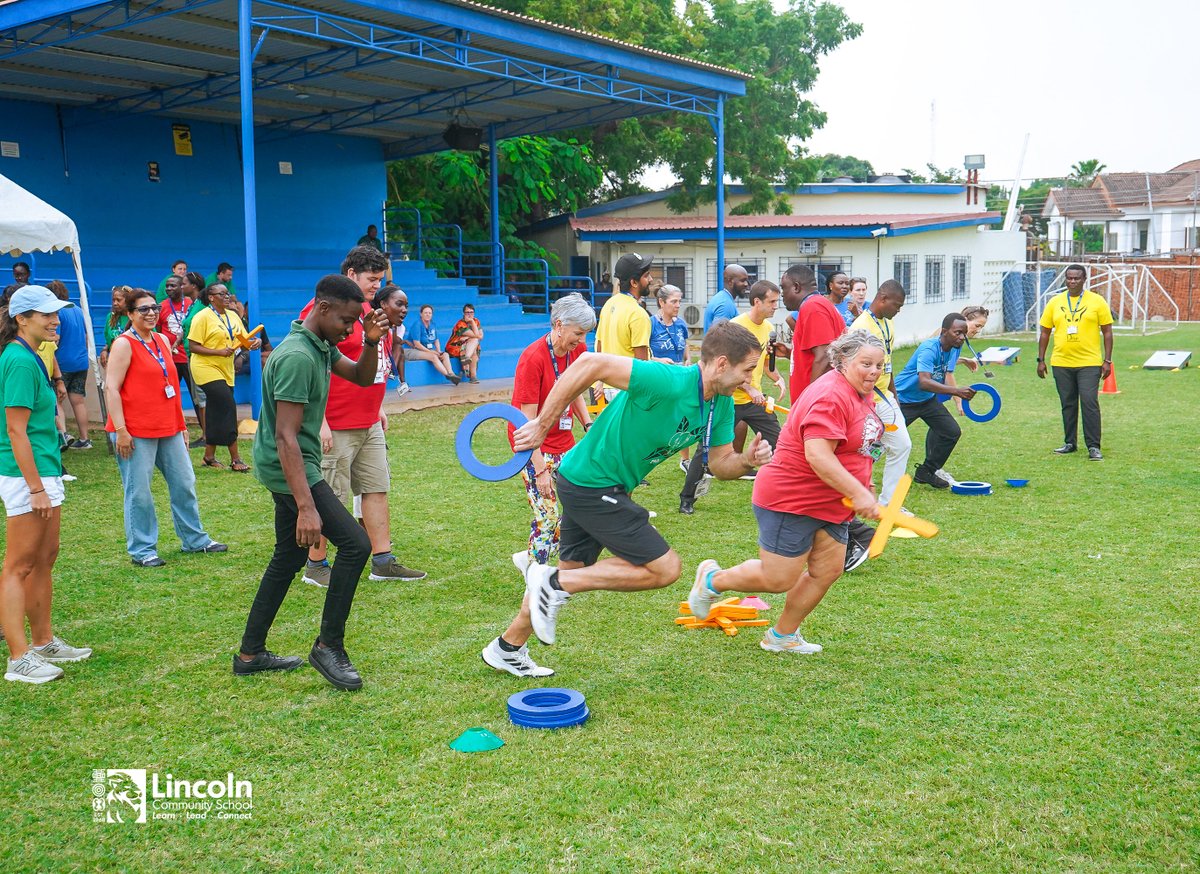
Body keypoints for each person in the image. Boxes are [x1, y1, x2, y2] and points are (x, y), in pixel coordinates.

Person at [487, 321, 774, 675]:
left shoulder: (721, 406)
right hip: (593, 483)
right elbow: (589, 364)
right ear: (721, 364)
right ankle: (551, 582)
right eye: (746, 370)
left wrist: (747, 460)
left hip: (600, 482)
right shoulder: (669, 381)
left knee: (573, 571)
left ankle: (507, 647)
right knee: (665, 569)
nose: (749, 380)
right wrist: (542, 426)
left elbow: (720, 463)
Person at [234, 274, 391, 691]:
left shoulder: (319, 346)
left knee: (287, 557)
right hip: (291, 467)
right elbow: (286, 436)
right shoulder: (297, 357)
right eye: (346, 320)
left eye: (356, 322)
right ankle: (328, 646)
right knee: (357, 546)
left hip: (291, 464)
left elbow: (360, 377)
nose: (350, 328)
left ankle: (250, 653)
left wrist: (373, 341)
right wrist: (306, 506)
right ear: (322, 308)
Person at [689, 329, 886, 655]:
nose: (874, 372)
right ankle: (712, 580)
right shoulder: (830, 395)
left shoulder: (862, 393)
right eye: (866, 364)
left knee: (827, 570)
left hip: (833, 501)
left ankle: (782, 636)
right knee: (778, 578)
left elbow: (862, 445)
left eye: (879, 365)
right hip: (792, 498)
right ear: (843, 361)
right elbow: (818, 455)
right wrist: (859, 492)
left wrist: (867, 484)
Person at [300, 249, 426, 587]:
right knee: (330, 495)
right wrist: (321, 420)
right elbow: (313, 369)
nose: (377, 286)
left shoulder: (368, 312)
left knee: (375, 488)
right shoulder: (324, 311)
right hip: (335, 423)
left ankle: (382, 560)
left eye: (380, 280)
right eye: (372, 280)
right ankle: (316, 565)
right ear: (352, 273)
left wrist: (379, 405)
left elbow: (376, 359)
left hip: (368, 419)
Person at [1, 285, 91, 684]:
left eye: (57, 313)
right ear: (22, 319)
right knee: (18, 565)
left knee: (45, 557)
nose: (56, 320)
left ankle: (42, 641)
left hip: (43, 471)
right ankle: (19, 657)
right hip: (27, 476)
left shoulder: (33, 356)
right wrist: (35, 487)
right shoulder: (19, 360)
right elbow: (15, 431)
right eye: (46, 314)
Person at [104, 289, 227, 567]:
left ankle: (194, 540)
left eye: (153, 308)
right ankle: (143, 550)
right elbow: (111, 388)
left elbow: (169, 386)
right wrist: (120, 430)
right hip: (135, 430)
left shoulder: (161, 339)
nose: (150, 313)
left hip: (168, 427)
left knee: (185, 482)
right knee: (139, 492)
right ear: (130, 314)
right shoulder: (124, 344)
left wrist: (181, 425)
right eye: (142, 310)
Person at [495, 294, 596, 596]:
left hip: (564, 441)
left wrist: (588, 425)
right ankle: (536, 583)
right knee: (548, 516)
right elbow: (527, 421)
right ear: (558, 325)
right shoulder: (533, 357)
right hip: (532, 444)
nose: (581, 340)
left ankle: (528, 561)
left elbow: (573, 390)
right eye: (578, 333)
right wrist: (539, 469)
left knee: (578, 508)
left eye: (585, 335)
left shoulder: (577, 351)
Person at [1038, 265, 1113, 461]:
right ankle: (1070, 442)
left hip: (1089, 362)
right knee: (1068, 404)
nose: (1072, 282)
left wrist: (1107, 360)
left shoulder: (1097, 301)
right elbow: (1045, 332)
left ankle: (1094, 446)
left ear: (1084, 279)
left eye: (1076, 278)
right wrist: (1041, 360)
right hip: (1061, 362)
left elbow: (1107, 332)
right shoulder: (1055, 302)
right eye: (1069, 278)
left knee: (1089, 402)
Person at [895, 313, 976, 489]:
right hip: (903, 400)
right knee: (883, 439)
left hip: (927, 400)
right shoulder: (928, 349)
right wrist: (956, 392)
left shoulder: (955, 348)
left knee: (951, 432)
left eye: (964, 333)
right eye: (957, 333)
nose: (962, 337)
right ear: (944, 331)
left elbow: (947, 372)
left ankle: (926, 472)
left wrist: (956, 397)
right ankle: (858, 475)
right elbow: (924, 382)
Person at [850, 280, 911, 507]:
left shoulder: (887, 323)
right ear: (883, 299)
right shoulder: (860, 327)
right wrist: (859, 400)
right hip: (869, 398)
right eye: (897, 305)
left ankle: (880, 497)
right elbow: (850, 367)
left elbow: (888, 363)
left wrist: (894, 395)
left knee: (881, 446)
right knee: (900, 444)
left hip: (885, 395)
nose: (899, 310)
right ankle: (888, 502)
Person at [187, 283, 260, 471]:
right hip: (205, 367)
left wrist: (252, 343)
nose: (228, 297)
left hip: (225, 370)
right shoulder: (201, 317)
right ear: (211, 297)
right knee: (227, 405)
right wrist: (218, 352)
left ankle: (208, 456)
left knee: (215, 409)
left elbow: (242, 341)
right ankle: (235, 458)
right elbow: (193, 346)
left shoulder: (233, 316)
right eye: (223, 294)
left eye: (228, 294)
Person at [648, 284, 695, 474]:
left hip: (679, 377)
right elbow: (643, 352)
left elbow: (685, 345)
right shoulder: (651, 323)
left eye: (679, 301)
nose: (678, 305)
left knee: (683, 417)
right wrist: (658, 360)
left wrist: (688, 360)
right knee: (656, 418)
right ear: (661, 302)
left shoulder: (681, 324)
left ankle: (685, 459)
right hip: (658, 378)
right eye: (674, 301)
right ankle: (647, 457)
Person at [594, 252, 653, 397]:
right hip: (627, 389)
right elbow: (642, 367)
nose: (651, 279)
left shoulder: (609, 304)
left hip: (609, 386)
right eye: (646, 276)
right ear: (634, 282)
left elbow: (599, 345)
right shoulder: (638, 314)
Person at [789, 266, 846, 402]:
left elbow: (824, 357)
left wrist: (809, 401)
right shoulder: (819, 303)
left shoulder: (813, 307)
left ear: (796, 287)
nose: (783, 294)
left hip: (815, 404)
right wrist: (791, 353)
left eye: (784, 288)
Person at [47, 280, 92, 451]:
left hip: (63, 362)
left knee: (56, 400)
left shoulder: (56, 313)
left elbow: (55, 338)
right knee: (78, 401)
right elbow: (87, 336)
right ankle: (85, 439)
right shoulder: (78, 310)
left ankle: (64, 434)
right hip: (81, 362)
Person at [943, 305, 990, 419]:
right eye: (977, 325)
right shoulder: (954, 339)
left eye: (981, 327)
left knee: (948, 430)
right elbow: (947, 372)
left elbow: (942, 361)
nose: (978, 330)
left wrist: (963, 360)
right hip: (916, 388)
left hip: (927, 386)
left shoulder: (955, 334)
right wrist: (959, 403)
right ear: (965, 320)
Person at [178, 271, 208, 445]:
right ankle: (206, 433)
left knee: (202, 397)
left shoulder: (203, 305)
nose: (182, 287)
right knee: (198, 397)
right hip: (191, 354)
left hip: (200, 355)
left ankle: (207, 436)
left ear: (194, 286)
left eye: (184, 284)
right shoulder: (192, 304)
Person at [407, 304, 460, 385]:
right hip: (412, 350)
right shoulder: (417, 324)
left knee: (445, 354)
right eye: (425, 313)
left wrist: (438, 350)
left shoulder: (432, 324)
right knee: (433, 356)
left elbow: (436, 339)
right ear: (421, 314)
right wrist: (431, 352)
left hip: (426, 350)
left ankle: (451, 374)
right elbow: (417, 344)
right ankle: (448, 376)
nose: (428, 314)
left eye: (430, 313)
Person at [703, 264, 749, 332]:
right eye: (742, 280)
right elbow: (719, 337)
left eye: (746, 280)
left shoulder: (723, 297)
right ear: (730, 281)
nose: (746, 284)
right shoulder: (725, 305)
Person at [445, 303, 484, 384]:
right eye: (467, 312)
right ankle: (473, 376)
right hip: (454, 346)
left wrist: (472, 322)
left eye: (471, 312)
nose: (469, 314)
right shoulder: (460, 324)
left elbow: (481, 336)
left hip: (468, 346)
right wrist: (472, 323)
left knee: (474, 345)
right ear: (463, 313)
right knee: (474, 343)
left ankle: (467, 358)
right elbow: (477, 335)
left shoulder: (476, 321)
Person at [100, 286, 131, 368]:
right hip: (115, 363)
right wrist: (105, 350)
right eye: (113, 300)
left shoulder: (136, 317)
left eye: (118, 300)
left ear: (128, 301)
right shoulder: (110, 317)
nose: (115, 303)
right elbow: (109, 340)